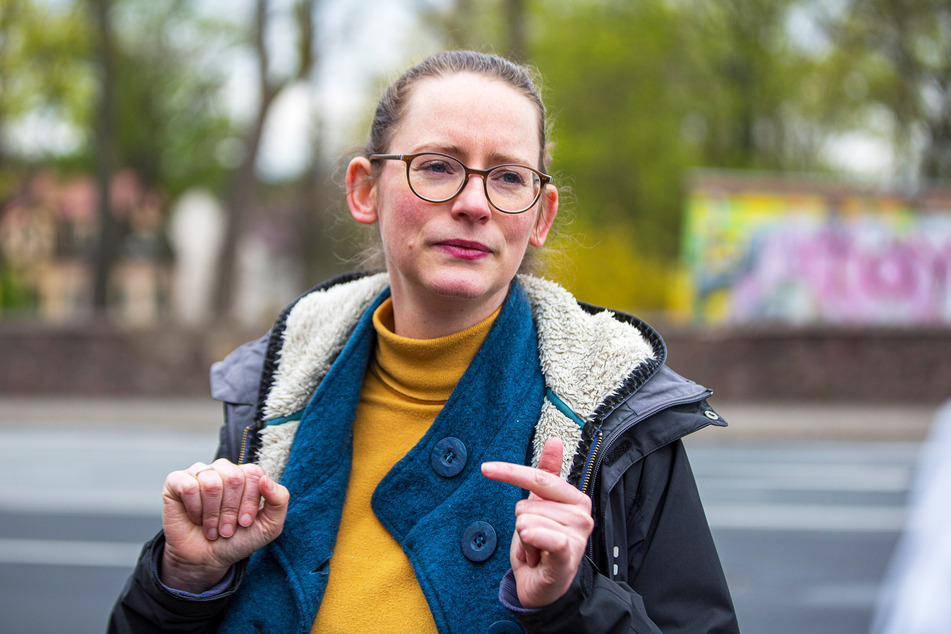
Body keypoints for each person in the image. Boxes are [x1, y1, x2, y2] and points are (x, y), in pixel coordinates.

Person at [109, 50, 739, 633]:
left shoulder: (618, 417)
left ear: (540, 216)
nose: (473, 203)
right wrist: (185, 581)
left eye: (509, 177)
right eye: (437, 166)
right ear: (364, 190)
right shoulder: (271, 398)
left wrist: (572, 602)